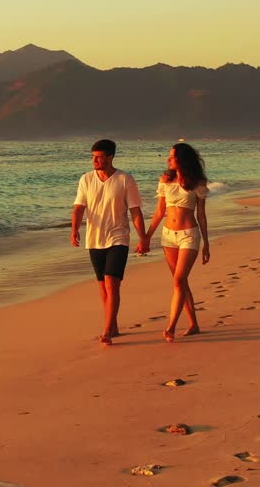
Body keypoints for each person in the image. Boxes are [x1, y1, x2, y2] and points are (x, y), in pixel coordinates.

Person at [72, 139, 149, 345]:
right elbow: (79, 207)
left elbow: (135, 211)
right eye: (93, 157)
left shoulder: (125, 179)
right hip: (94, 238)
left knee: (111, 283)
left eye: (99, 157)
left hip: (118, 237)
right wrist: (74, 230)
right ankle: (112, 324)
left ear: (110, 157)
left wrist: (143, 238)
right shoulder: (86, 179)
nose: (95, 160)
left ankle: (107, 329)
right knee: (102, 287)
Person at [145, 142, 211, 342]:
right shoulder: (165, 180)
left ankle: (171, 326)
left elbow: (201, 214)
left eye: (172, 157)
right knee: (180, 282)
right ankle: (194, 324)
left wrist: (206, 243)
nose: (168, 160)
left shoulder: (197, 183)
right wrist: (146, 237)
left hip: (189, 234)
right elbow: (159, 212)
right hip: (168, 236)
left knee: (178, 280)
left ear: (181, 159)